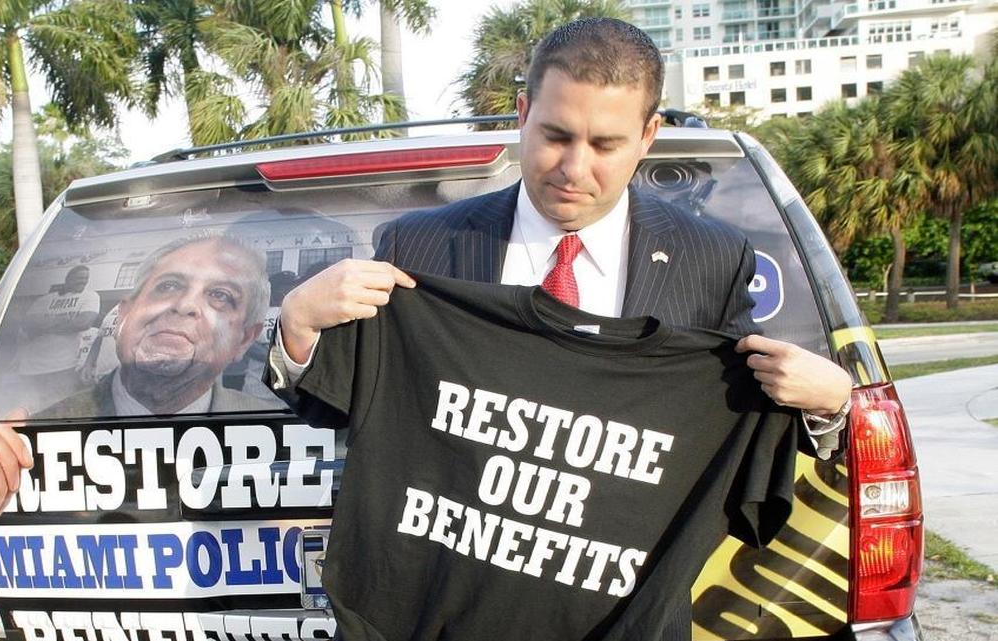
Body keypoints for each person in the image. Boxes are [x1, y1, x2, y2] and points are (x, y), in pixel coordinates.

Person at [266, 17, 851, 641]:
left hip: (620, 623)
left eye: (605, 144)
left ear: (648, 135)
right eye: (555, 135)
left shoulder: (709, 259)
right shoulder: (420, 244)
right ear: (522, 112)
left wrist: (832, 406)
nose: (574, 168)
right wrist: (297, 326)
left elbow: (734, 416)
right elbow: (349, 403)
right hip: (439, 616)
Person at [0, 231, 276, 519]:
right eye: (169, 286)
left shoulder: (285, 439)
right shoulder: (30, 443)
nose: (184, 306)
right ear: (123, 314)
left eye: (220, 295)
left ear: (245, 339)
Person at [14, 264, 101, 406]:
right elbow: (28, 324)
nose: (83, 282)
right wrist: (65, 321)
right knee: (31, 411)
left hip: (63, 367)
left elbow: (83, 323)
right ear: (68, 279)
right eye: (79, 278)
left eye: (86, 279)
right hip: (31, 368)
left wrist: (46, 324)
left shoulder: (90, 296)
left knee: (62, 410)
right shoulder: (45, 300)